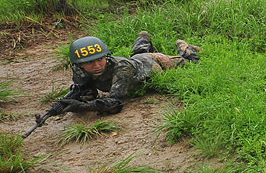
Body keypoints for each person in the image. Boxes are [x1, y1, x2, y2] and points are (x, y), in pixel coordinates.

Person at [58, 33, 200, 115]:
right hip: (136, 62)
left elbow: (115, 104)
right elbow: (88, 92)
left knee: (190, 63)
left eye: (99, 60)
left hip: (154, 63)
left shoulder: (121, 68)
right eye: (89, 63)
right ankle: (143, 38)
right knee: (137, 54)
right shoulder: (80, 70)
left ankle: (185, 47)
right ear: (80, 65)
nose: (96, 66)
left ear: (105, 57)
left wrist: (82, 106)